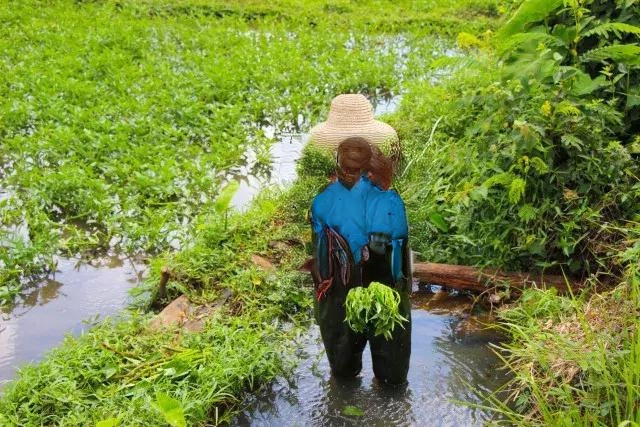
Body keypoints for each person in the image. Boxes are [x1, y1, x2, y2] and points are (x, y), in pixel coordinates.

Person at [307, 136, 411, 385]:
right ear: (370, 165)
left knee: (343, 368)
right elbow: (400, 253)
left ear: (338, 163)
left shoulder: (322, 202)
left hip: (341, 288)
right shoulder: (392, 200)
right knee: (392, 371)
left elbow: (321, 254)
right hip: (386, 289)